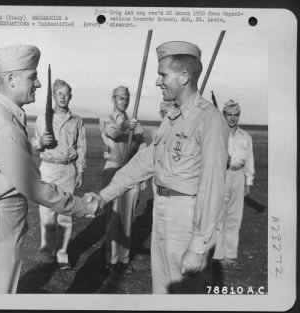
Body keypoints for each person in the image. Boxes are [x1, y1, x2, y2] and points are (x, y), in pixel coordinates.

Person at [86, 41, 229, 293]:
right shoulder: (172, 118)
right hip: (162, 213)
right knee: (162, 292)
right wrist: (103, 195)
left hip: (187, 218)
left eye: (163, 74)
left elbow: (212, 186)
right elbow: (143, 163)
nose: (157, 82)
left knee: (185, 295)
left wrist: (197, 246)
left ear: (184, 77)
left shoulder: (209, 119)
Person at [0, 45, 98, 294]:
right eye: (32, 77)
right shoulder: (4, 125)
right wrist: (83, 206)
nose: (37, 84)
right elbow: (35, 188)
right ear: (11, 79)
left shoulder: (0, 113)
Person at [32, 79, 86, 270]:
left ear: (70, 96)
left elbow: (81, 147)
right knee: (47, 212)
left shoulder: (77, 121)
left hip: (68, 170)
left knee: (65, 213)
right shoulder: (43, 117)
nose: (63, 97)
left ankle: (62, 254)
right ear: (53, 96)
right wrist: (41, 142)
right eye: (59, 94)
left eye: (66, 94)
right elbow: (34, 144)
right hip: (48, 167)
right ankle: (47, 253)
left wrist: (79, 171)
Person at [99, 86, 146, 274]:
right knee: (113, 218)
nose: (124, 101)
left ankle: (124, 260)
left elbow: (142, 150)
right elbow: (113, 132)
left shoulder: (137, 124)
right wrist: (126, 126)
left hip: (131, 173)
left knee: (127, 219)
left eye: (126, 98)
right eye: (120, 98)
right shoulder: (106, 119)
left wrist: (142, 176)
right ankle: (111, 259)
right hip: (112, 172)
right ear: (113, 99)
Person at [213, 99, 255, 266]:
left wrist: (248, 182)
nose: (232, 118)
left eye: (235, 115)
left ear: (239, 116)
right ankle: (217, 255)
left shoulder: (246, 137)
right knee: (218, 217)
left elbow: (249, 160)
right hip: (222, 176)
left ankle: (230, 255)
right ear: (224, 115)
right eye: (229, 115)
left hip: (238, 177)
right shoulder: (218, 135)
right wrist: (223, 159)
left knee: (234, 218)